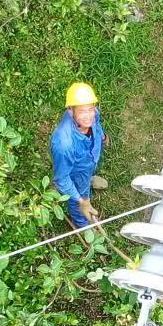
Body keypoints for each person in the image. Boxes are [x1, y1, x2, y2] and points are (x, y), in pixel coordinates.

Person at [51, 82, 107, 229]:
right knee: (79, 198)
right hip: (76, 173)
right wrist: (82, 201)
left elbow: (96, 123)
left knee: (87, 177)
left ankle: (89, 180)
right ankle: (82, 225)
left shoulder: (93, 115)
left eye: (91, 109)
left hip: (89, 162)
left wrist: (101, 136)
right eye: (82, 111)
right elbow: (62, 179)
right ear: (71, 111)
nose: (89, 116)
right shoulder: (64, 144)